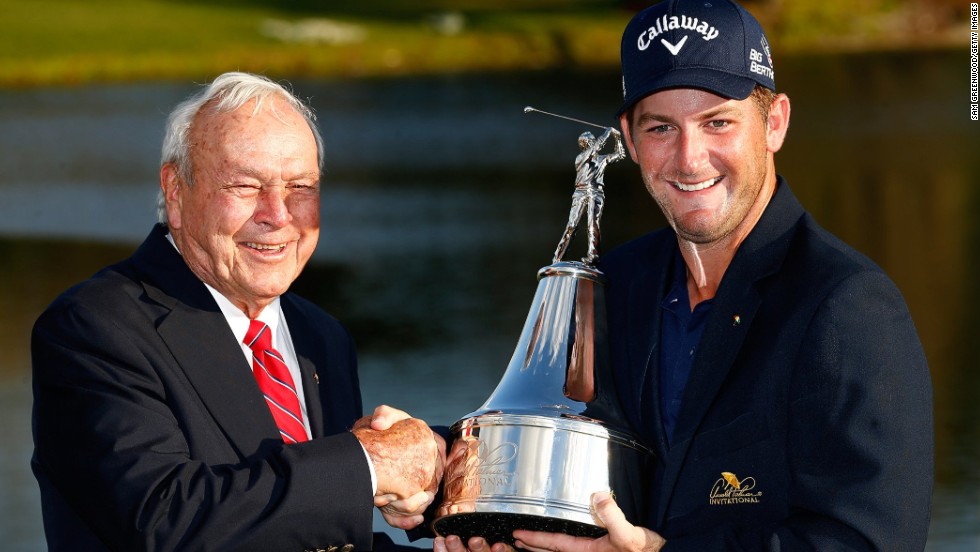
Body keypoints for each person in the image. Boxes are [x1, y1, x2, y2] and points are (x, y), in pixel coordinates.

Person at [436, 0, 933, 551]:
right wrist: (428, 463)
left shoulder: (846, 306)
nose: (689, 159)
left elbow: (869, 541)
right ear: (628, 138)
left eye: (717, 122)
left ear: (774, 123)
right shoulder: (618, 284)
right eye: (660, 128)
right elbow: (543, 431)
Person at [31, 71, 444, 551]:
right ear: (177, 192)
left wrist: (445, 478)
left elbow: (313, 537)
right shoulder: (95, 327)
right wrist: (367, 467)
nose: (279, 213)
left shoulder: (320, 335)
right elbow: (166, 523)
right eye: (245, 186)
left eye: (301, 186)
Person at [552, 127, 626, 265]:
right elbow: (596, 149)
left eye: (592, 140)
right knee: (572, 225)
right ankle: (557, 257)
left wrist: (618, 139)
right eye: (589, 141)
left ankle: (593, 256)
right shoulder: (580, 158)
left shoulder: (602, 159)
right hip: (580, 192)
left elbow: (620, 154)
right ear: (584, 144)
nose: (591, 143)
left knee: (593, 224)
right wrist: (608, 132)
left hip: (596, 193)